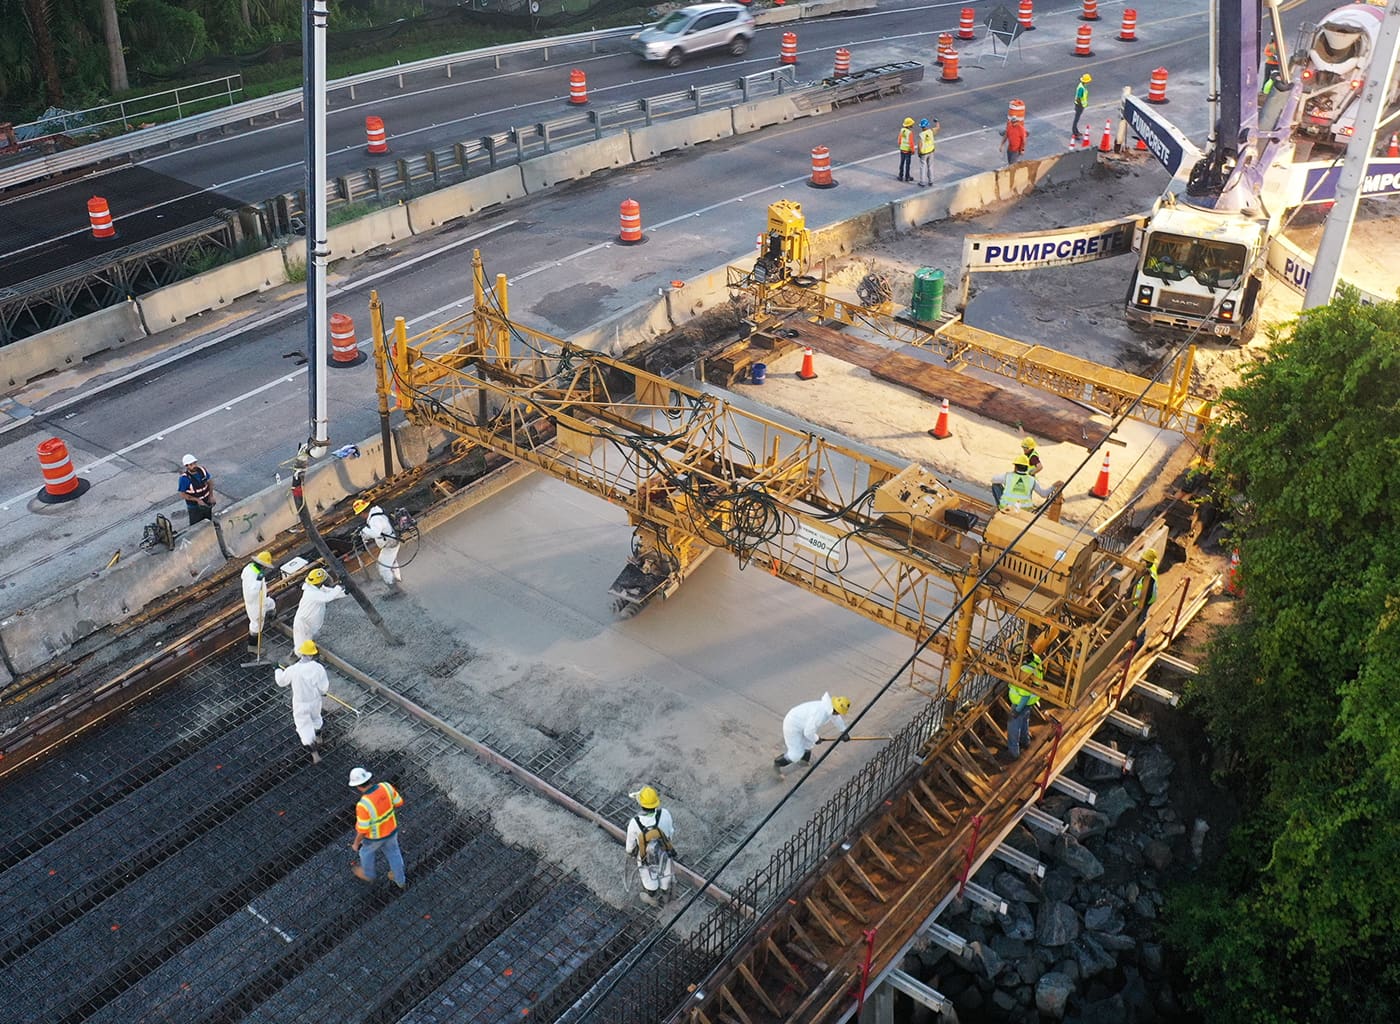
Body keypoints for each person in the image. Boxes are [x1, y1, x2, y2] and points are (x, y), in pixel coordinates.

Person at [350, 766, 407, 889]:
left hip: (374, 838)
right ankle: (400, 880)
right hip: (392, 830)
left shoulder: (363, 804)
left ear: (358, 786)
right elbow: (399, 802)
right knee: (394, 854)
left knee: (365, 853)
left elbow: (363, 830)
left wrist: (356, 843)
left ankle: (368, 874)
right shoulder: (386, 786)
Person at [275, 639, 331, 764]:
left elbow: (281, 682)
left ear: (301, 653)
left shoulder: (293, 670)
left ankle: (315, 755)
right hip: (315, 701)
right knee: (316, 718)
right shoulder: (318, 668)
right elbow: (324, 687)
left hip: (300, 704)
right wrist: (322, 693)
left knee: (304, 728)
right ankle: (318, 737)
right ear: (312, 654)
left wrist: (277, 670)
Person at [624, 786, 676, 906]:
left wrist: (631, 852)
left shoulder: (635, 823)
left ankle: (652, 897)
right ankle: (666, 893)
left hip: (646, 858)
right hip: (664, 853)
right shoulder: (665, 814)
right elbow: (670, 832)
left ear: (641, 804)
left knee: (649, 878)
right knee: (665, 872)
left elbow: (629, 848)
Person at [774, 693, 852, 771]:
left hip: (803, 722)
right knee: (796, 754)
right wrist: (817, 739)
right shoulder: (820, 714)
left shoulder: (829, 707)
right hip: (792, 726)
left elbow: (836, 718)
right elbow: (808, 732)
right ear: (835, 710)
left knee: (809, 743)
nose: (838, 714)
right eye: (838, 712)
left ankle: (803, 761)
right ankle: (777, 764)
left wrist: (843, 731)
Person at [293, 567, 347, 649]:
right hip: (303, 623)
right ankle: (296, 657)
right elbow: (328, 597)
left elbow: (331, 592)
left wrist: (344, 593)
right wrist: (339, 586)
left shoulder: (318, 588)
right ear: (320, 582)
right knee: (301, 646)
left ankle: (305, 657)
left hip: (309, 623)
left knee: (307, 642)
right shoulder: (311, 593)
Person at [355, 498, 402, 589]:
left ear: (362, 512)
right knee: (391, 562)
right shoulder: (376, 512)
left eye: (360, 514)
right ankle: (396, 579)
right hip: (391, 539)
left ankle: (395, 589)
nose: (360, 516)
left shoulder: (375, 519)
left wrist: (363, 529)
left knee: (383, 568)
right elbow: (380, 530)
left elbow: (375, 533)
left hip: (390, 543)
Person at [1006, 654, 1043, 759]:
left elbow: (1025, 695)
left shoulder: (1024, 672)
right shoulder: (1036, 659)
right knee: (1024, 722)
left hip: (1020, 704)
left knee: (1013, 726)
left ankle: (1014, 753)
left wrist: (1017, 710)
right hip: (1030, 702)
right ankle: (1025, 741)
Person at [241, 551, 277, 655]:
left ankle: (272, 617)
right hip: (255, 603)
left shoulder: (249, 567)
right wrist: (258, 581)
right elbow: (253, 592)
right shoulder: (254, 575)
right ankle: (252, 646)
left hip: (261, 598)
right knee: (256, 625)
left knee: (271, 603)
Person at [991, 457, 1056, 511]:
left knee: (995, 485)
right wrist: (1054, 486)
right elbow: (1043, 494)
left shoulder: (1008, 476)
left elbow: (993, 479)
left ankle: (999, 508)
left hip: (1007, 509)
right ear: (1027, 467)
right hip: (1024, 511)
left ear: (1015, 467)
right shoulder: (1032, 480)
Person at [178, 454, 215, 527]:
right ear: (187, 466)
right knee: (196, 526)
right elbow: (183, 494)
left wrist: (211, 496)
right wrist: (197, 500)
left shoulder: (202, 470)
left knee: (208, 523)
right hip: (194, 507)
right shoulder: (184, 479)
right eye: (191, 464)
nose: (194, 466)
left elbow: (210, 482)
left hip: (206, 502)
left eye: (194, 463)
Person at [1132, 547, 1160, 646]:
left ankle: (1139, 643)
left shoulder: (1150, 576)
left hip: (1146, 600)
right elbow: (1135, 581)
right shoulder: (1148, 568)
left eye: (1143, 560)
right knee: (1136, 619)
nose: (1141, 561)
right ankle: (1133, 637)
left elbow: (1147, 593)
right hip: (1141, 599)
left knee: (1141, 620)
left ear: (1148, 562)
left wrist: (1141, 605)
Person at [917, 117, 939, 186]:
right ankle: (931, 181)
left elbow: (919, 145)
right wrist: (936, 122)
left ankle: (922, 182)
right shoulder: (931, 131)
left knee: (923, 167)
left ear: (922, 127)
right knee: (930, 166)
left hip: (924, 153)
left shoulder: (921, 134)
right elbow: (938, 127)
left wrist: (919, 152)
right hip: (931, 151)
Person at [1072, 73, 1091, 142]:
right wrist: (1082, 105)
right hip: (1079, 105)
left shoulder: (1082, 86)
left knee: (1077, 119)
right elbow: (1079, 98)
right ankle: (1074, 133)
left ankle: (1076, 131)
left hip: (1080, 105)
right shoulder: (1081, 88)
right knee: (1076, 119)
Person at [896, 117, 916, 182]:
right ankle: (907, 176)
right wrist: (913, 150)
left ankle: (900, 176)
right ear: (909, 125)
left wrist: (900, 144)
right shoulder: (909, 133)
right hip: (908, 150)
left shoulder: (902, 130)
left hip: (902, 149)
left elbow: (899, 139)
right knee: (907, 164)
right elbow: (911, 143)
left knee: (902, 163)